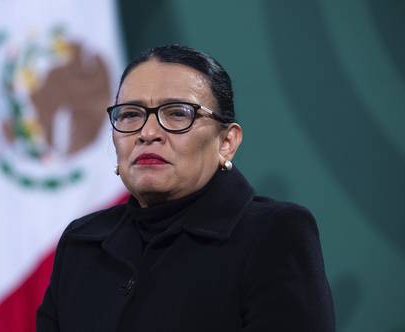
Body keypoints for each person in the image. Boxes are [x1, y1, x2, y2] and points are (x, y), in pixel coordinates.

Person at [37, 45, 335, 331]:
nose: (148, 133)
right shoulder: (81, 243)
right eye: (130, 115)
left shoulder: (274, 234)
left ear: (227, 142)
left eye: (178, 113)